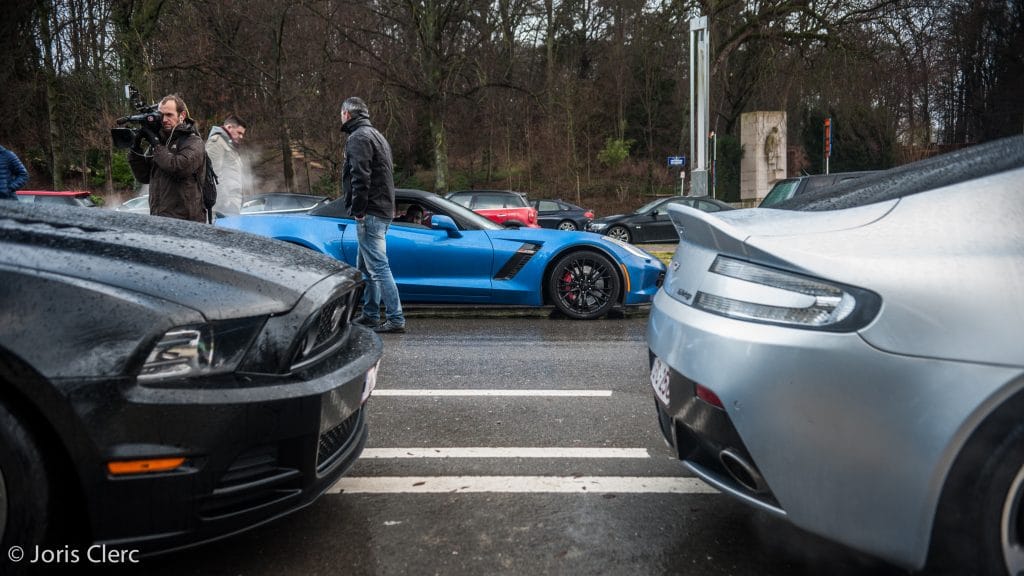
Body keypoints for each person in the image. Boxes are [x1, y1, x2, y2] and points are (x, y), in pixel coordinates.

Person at [341, 96, 405, 334]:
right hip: (382, 209)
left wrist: (358, 211)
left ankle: (395, 318)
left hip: (370, 212)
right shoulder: (376, 135)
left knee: (378, 267)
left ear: (347, 114)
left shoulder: (358, 138)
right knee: (366, 267)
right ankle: (369, 314)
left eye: (342, 114)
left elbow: (360, 176)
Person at [127, 94, 207, 222]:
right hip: (159, 220)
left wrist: (156, 144)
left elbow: (179, 167)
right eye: (161, 115)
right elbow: (143, 176)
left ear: (182, 116)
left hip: (187, 223)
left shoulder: (193, 141)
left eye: (169, 115)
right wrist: (135, 147)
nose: (164, 120)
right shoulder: (160, 143)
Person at [206, 115, 248, 217]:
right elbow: (213, 175)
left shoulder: (229, 145)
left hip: (231, 204)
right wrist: (226, 203)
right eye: (239, 133)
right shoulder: (216, 142)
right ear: (229, 127)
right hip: (223, 207)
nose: (241, 136)